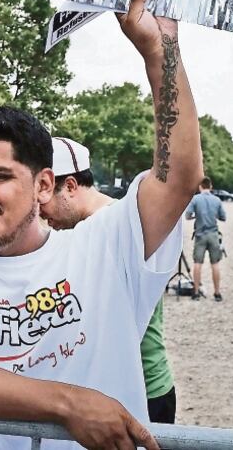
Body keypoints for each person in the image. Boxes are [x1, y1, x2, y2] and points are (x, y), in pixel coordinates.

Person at [0, 0, 203, 450]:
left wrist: (160, 53)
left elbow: (179, 176)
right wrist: (69, 405)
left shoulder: (104, 246)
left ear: (43, 186)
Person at [39, 136, 178, 424]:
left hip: (142, 390)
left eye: (44, 198)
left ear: (70, 187)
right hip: (103, 393)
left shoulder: (125, 228)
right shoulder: (85, 230)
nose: (40, 212)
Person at [185, 177, 226, 301]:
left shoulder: (195, 199)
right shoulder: (217, 200)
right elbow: (223, 217)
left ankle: (196, 292)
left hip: (200, 235)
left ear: (200, 187)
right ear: (211, 187)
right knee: (215, 264)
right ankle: (217, 293)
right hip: (213, 234)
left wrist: (196, 216)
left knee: (197, 263)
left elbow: (188, 215)